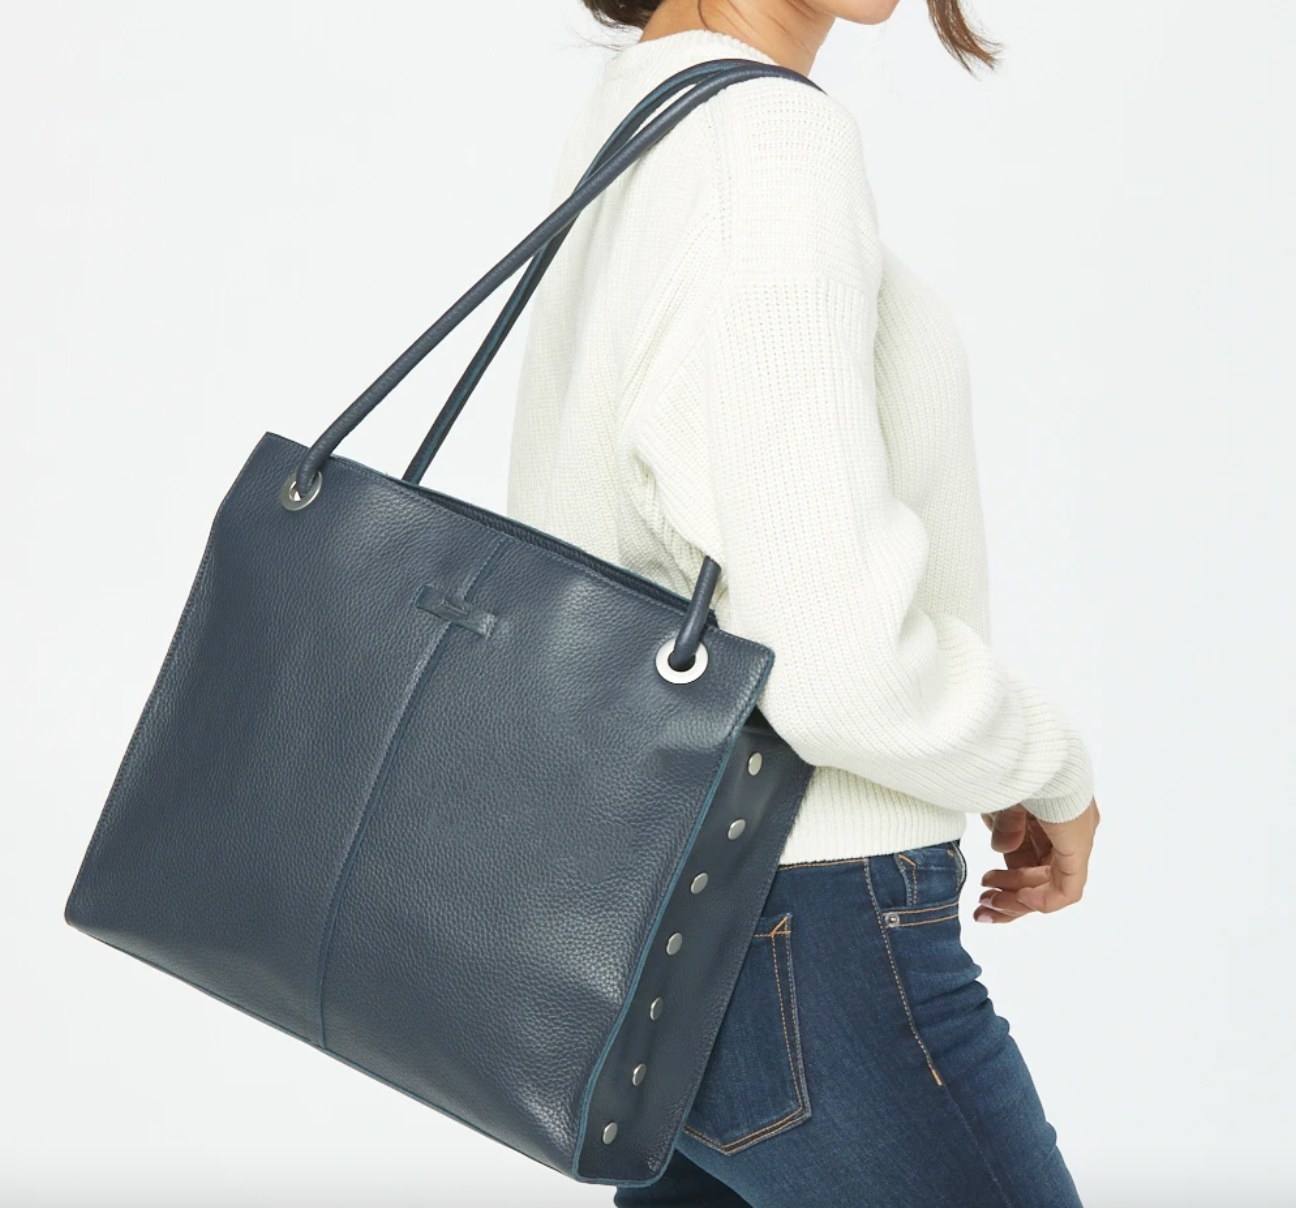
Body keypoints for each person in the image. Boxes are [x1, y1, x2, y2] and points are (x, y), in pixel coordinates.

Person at [506, 2, 1102, 1204]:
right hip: (807, 925)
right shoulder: (765, 144)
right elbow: (835, 664)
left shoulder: (644, 112)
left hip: (654, 921)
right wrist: (1050, 767)